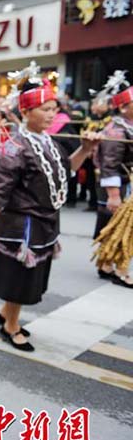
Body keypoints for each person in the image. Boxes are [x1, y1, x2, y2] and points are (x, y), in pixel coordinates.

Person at [0, 63, 101, 352]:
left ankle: (6, 313)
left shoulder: (49, 142)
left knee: (30, 279)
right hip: (23, 227)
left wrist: (86, 150)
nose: (52, 114)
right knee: (21, 279)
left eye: (54, 108)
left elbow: (66, 170)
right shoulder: (12, 146)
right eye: (45, 108)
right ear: (26, 112)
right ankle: (11, 326)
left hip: (45, 222)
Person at [93, 71, 133, 288]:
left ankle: (107, 265)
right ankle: (119, 268)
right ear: (124, 107)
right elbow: (110, 163)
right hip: (118, 188)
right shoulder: (117, 130)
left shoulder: (127, 126)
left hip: (126, 185)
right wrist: (114, 195)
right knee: (119, 228)